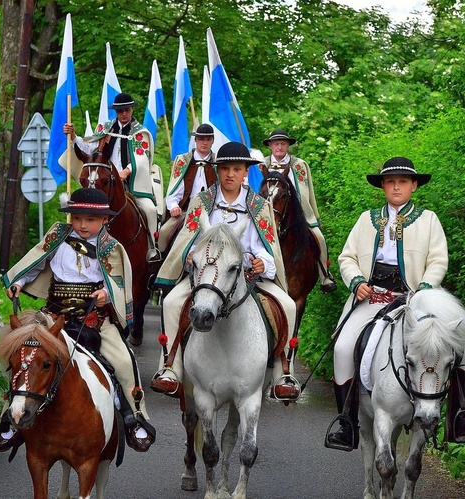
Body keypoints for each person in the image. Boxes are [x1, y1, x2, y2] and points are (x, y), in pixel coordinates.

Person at [325, 157, 465, 449]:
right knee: (343, 347)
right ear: (383, 186)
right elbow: (347, 257)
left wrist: (424, 287)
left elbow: (438, 260)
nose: (396, 186)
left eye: (403, 181)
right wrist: (357, 281)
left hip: (418, 298)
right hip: (373, 297)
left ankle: (461, 414)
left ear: (414, 186)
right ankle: (346, 422)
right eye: (390, 181)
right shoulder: (365, 219)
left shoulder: (428, 219)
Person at [0, 188, 156, 453]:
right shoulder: (57, 237)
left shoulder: (112, 247)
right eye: (78, 218)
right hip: (52, 316)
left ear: (105, 220)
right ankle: (10, 419)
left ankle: (134, 417)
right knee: (22, 356)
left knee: (124, 362)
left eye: (90, 219)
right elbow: (34, 264)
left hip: (93, 317)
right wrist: (18, 282)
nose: (82, 224)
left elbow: (116, 284)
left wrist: (106, 294)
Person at [151, 141, 301, 401]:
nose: (230, 174)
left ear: (246, 172)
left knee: (288, 304)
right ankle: (170, 368)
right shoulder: (202, 201)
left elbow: (267, 248)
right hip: (205, 276)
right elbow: (188, 242)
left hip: (244, 276)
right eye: (225, 168)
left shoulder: (259, 206)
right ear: (217, 171)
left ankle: (283, 373)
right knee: (172, 302)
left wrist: (262, 263)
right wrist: (192, 260)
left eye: (237, 168)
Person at [63, 92, 164, 260]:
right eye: (120, 111)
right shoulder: (106, 128)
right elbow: (90, 150)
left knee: (150, 209)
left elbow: (142, 157)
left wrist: (126, 171)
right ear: (116, 111)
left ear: (132, 109)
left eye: (126, 110)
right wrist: (73, 136)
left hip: (129, 182)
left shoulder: (140, 132)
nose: (123, 114)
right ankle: (78, 244)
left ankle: (152, 248)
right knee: (82, 206)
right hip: (105, 182)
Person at [260, 129, 336, 293]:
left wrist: (315, 216)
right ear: (270, 145)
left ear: (288, 145)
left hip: (297, 214)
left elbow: (308, 192)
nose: (279, 146)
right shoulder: (261, 164)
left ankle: (325, 276)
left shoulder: (299, 165)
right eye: (276, 143)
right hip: (268, 213)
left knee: (319, 238)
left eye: (283, 143)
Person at [158, 123, 217, 253]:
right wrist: (173, 206)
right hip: (186, 211)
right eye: (201, 139)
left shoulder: (217, 161)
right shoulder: (183, 160)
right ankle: (160, 261)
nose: (204, 143)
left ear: (213, 140)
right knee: (164, 233)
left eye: (208, 139)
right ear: (195, 140)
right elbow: (175, 188)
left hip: (213, 212)